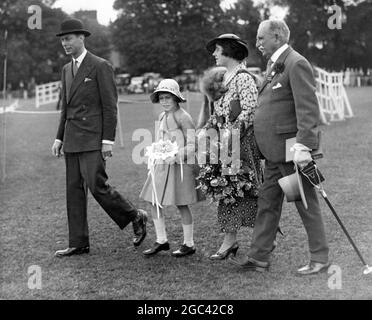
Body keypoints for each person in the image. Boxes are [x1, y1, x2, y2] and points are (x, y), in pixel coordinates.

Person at [230, 19, 329, 275]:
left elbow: (308, 109)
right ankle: (258, 257)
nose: (257, 43)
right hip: (274, 154)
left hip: (291, 153)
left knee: (305, 204)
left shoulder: (296, 63)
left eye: (261, 38)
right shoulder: (275, 64)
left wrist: (304, 146)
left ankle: (320, 258)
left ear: (276, 36)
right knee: (267, 203)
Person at [51, 18, 147, 257]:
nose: (65, 43)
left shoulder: (100, 65)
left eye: (69, 38)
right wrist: (59, 137)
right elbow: (66, 108)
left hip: (93, 138)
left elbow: (109, 106)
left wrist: (107, 140)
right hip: (72, 138)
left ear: (82, 38)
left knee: (97, 186)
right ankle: (78, 242)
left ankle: (135, 216)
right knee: (73, 190)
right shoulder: (66, 69)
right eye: (62, 40)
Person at [199, 34, 263, 260]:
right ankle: (230, 241)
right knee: (228, 191)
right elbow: (218, 115)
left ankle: (265, 237)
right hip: (226, 145)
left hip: (243, 144)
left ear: (229, 51)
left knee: (249, 190)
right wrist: (206, 132)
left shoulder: (244, 78)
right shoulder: (223, 79)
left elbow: (250, 110)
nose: (214, 54)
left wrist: (230, 133)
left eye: (217, 50)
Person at [140, 79, 204, 257]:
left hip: (180, 166)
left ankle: (189, 243)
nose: (165, 101)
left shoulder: (184, 117)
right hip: (162, 165)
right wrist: (155, 151)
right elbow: (161, 140)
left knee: (181, 203)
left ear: (176, 98)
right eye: (161, 98)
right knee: (155, 201)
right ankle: (161, 240)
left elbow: (193, 144)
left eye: (168, 97)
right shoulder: (162, 116)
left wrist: (176, 154)